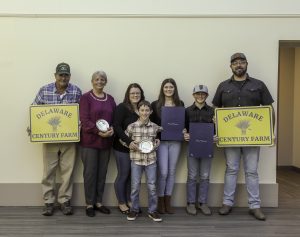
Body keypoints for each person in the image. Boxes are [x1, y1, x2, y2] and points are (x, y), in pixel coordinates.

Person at [212, 52, 274, 221]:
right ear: (230, 66)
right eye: (235, 63)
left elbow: (269, 109)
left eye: (241, 62)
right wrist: (216, 128)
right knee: (231, 169)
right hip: (229, 138)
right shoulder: (223, 86)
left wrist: (270, 132)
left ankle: (255, 206)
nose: (238, 65)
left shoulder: (259, 85)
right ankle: (227, 203)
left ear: (246, 64)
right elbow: (215, 109)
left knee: (252, 171)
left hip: (253, 138)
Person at [32, 62, 82, 216]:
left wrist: (80, 124)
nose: (63, 77)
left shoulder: (76, 91)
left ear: (69, 76)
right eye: (60, 74)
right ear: (55, 75)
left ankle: (64, 201)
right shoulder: (44, 90)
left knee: (68, 171)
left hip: (69, 139)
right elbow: (34, 110)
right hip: (49, 139)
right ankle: (48, 202)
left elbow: (82, 112)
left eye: (66, 75)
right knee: (48, 171)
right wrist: (34, 127)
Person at [79, 71, 116, 217]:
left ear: (105, 82)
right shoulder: (86, 98)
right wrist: (97, 131)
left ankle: (99, 202)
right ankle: (89, 203)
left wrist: (112, 128)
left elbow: (113, 118)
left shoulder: (110, 99)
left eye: (102, 79)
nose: (99, 82)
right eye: (96, 79)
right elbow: (84, 120)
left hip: (106, 142)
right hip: (89, 142)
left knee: (102, 173)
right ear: (92, 81)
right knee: (90, 174)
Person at [123, 100, 163, 222]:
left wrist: (158, 142)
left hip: (151, 160)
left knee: (152, 186)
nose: (144, 112)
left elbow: (161, 135)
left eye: (147, 110)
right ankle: (134, 209)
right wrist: (129, 144)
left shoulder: (155, 127)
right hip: (136, 160)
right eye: (142, 110)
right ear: (138, 111)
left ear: (150, 112)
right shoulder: (132, 126)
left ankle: (152, 211)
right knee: (135, 186)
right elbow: (123, 139)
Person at [150, 78, 184, 214]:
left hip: (175, 141)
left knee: (171, 171)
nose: (168, 89)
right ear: (162, 89)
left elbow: (183, 122)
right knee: (163, 172)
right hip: (161, 142)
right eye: (166, 87)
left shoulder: (180, 103)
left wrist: (184, 130)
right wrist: (157, 131)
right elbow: (151, 124)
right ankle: (160, 199)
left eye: (171, 87)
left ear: (174, 89)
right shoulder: (155, 104)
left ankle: (167, 201)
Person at [113, 83, 145, 214]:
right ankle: (121, 203)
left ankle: (130, 201)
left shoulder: (143, 108)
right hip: (123, 148)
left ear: (141, 94)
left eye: (137, 93)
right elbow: (117, 126)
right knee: (123, 175)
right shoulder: (122, 107)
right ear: (128, 95)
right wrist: (129, 141)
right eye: (132, 93)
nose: (135, 95)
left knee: (133, 176)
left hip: (137, 149)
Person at [183, 85, 215, 216]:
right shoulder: (187, 111)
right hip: (192, 147)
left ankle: (203, 202)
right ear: (193, 95)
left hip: (208, 147)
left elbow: (217, 130)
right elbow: (183, 128)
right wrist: (184, 133)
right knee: (192, 175)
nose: (200, 96)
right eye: (197, 94)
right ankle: (190, 203)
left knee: (205, 176)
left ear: (206, 96)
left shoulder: (213, 111)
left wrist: (216, 135)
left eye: (203, 94)